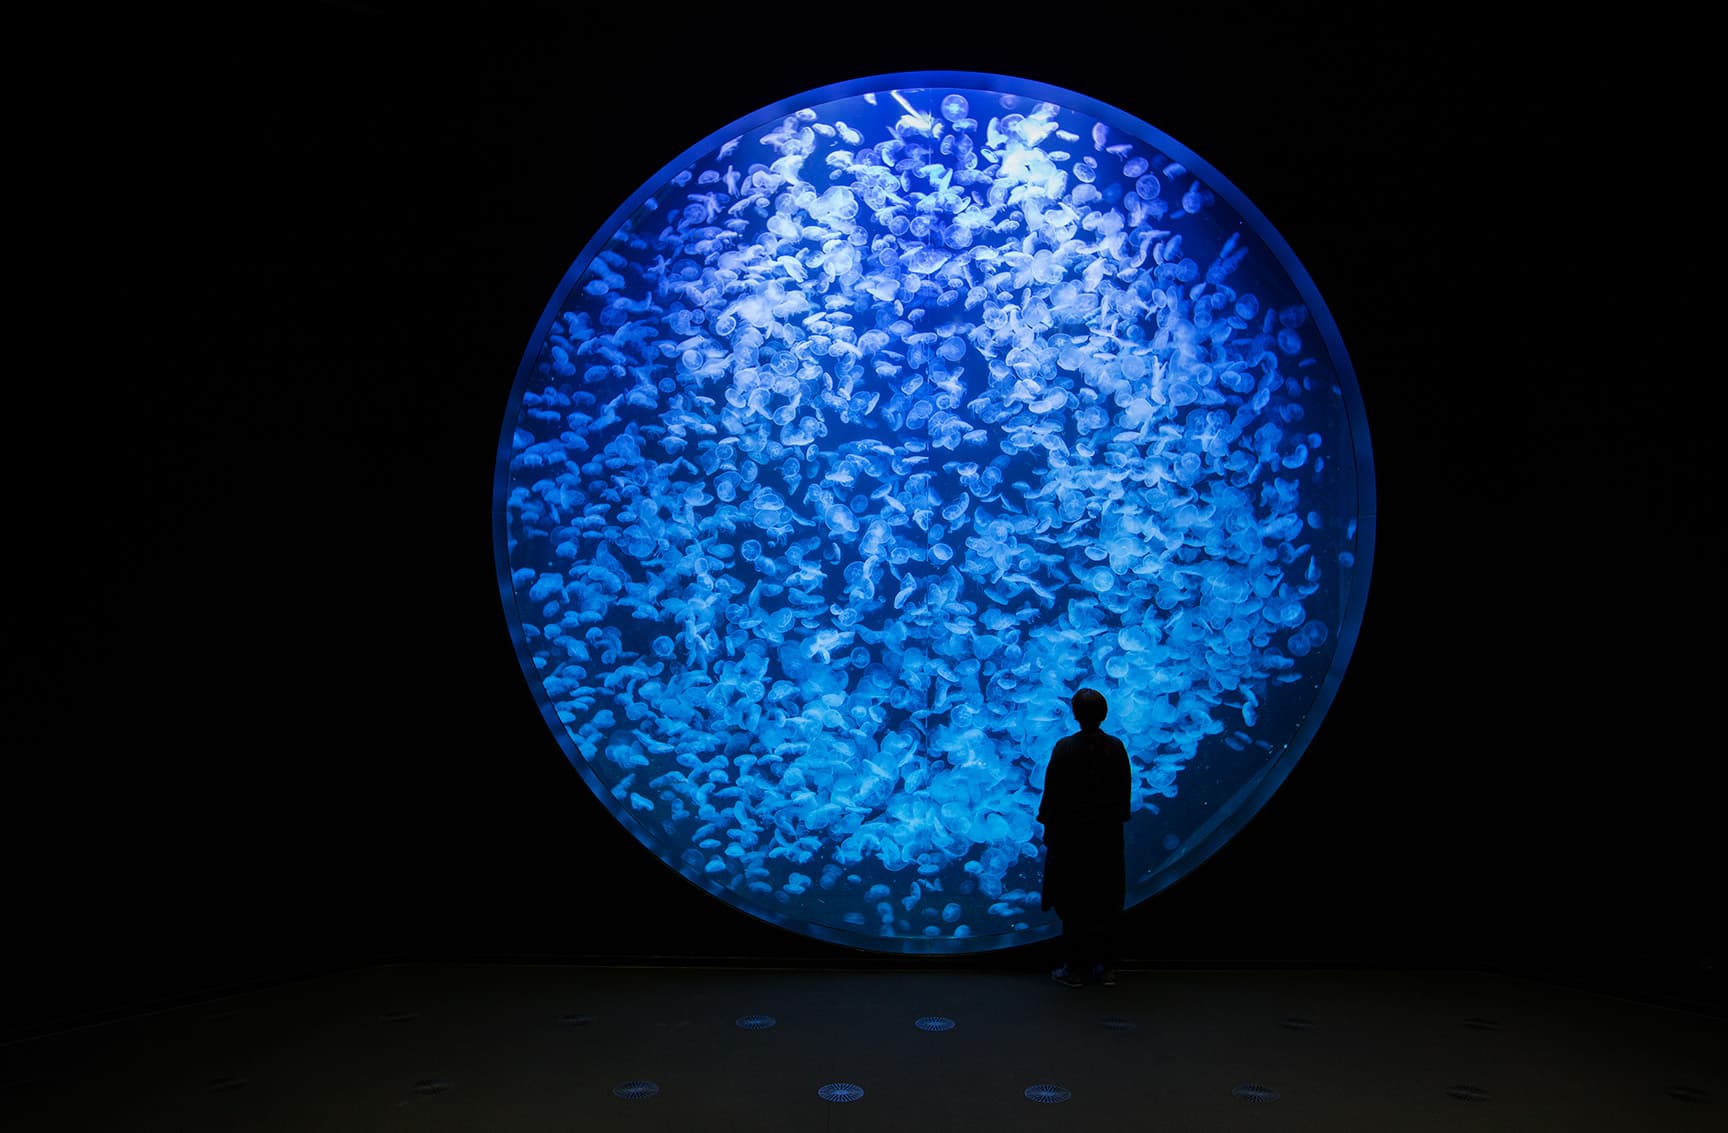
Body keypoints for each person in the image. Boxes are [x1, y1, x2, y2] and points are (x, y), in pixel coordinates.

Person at [1036, 686, 1131, 988]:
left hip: (1072, 837)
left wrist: (1049, 827)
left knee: (1073, 902)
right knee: (1107, 899)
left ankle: (1075, 970)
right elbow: (1123, 793)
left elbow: (1051, 794)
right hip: (1106, 836)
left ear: (1075, 715)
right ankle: (1107, 968)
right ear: (1103, 715)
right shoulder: (1116, 747)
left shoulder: (1065, 747)